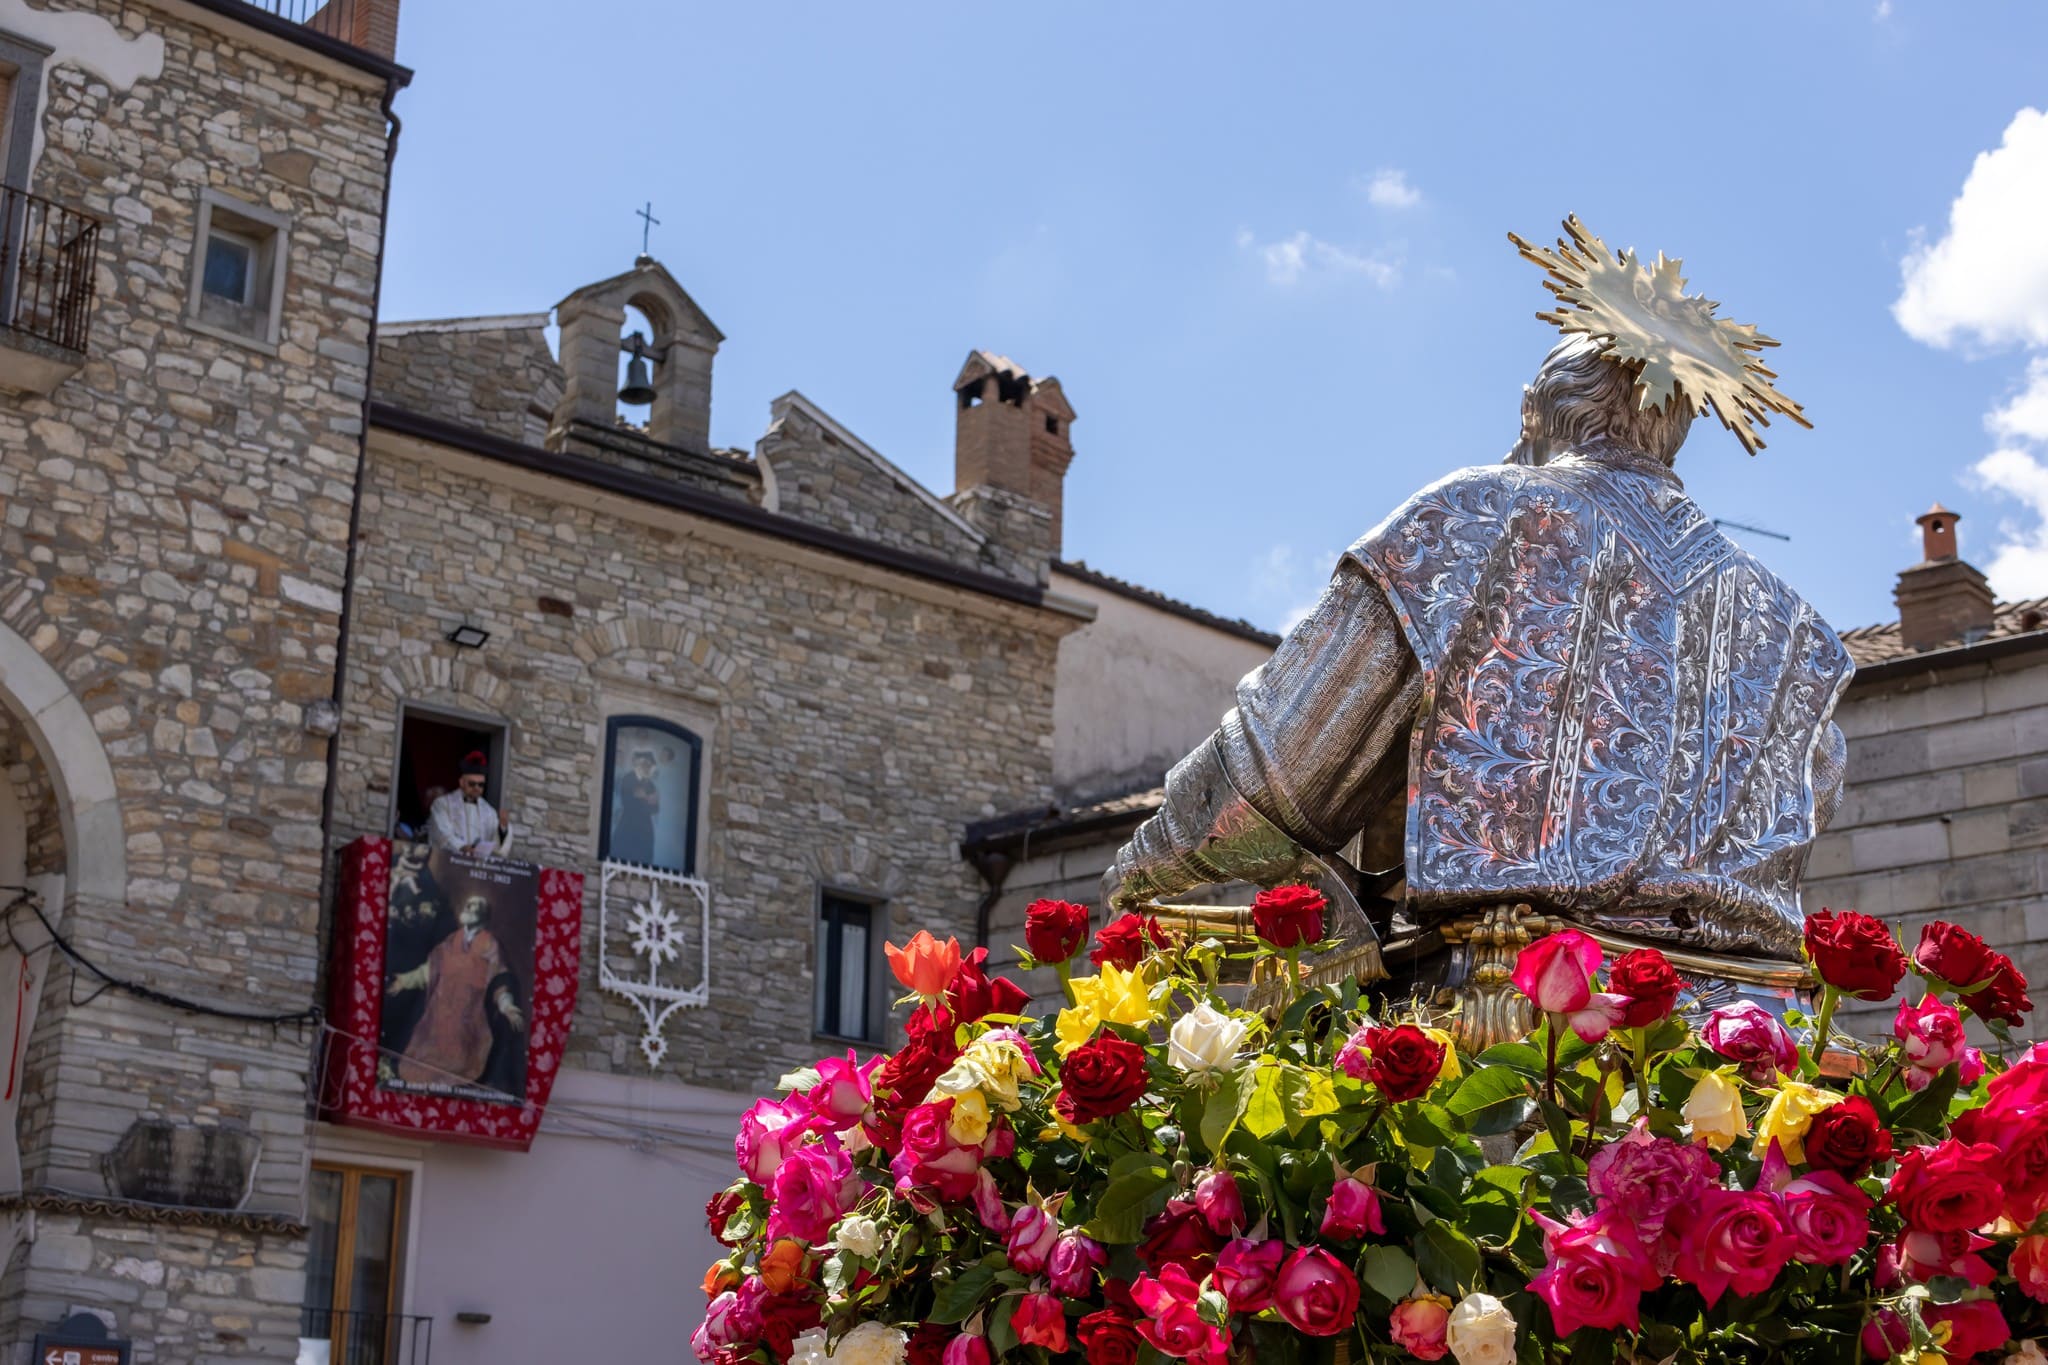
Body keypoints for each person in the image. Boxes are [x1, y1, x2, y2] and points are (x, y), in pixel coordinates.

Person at [1103, 222, 1850, 961]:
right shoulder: (1796, 630)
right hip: (1750, 1036)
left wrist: (1143, 865)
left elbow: (1279, 776)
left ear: (1534, 411)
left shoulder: (1471, 522)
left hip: (1509, 1015)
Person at [386, 894, 526, 1090]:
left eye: (475, 905)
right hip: (439, 1014)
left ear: (483, 914)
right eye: (468, 904)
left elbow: (499, 979)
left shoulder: (490, 944)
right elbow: (430, 969)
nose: (469, 907)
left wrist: (506, 1004)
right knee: (420, 1064)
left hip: (468, 1016)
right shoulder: (452, 940)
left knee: (461, 1065)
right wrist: (403, 981)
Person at [429, 752, 510, 857]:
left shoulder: (489, 811)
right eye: (472, 784)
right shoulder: (442, 804)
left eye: (481, 785)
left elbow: (496, 843)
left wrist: (502, 829)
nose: (476, 788)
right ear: (461, 782)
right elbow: (441, 833)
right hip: (449, 863)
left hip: (476, 868)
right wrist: (462, 847)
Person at [610, 749, 660, 866]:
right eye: (645, 764)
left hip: (645, 828)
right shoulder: (629, 778)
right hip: (629, 824)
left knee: (643, 857)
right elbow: (630, 802)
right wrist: (648, 799)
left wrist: (647, 799)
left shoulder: (650, 784)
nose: (648, 768)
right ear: (639, 764)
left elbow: (655, 808)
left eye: (650, 765)